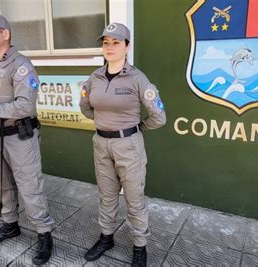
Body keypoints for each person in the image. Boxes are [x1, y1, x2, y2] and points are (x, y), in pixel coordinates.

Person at [0, 13, 54, 265]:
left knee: (30, 186)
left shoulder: (21, 65)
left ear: (5, 34)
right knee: (2, 183)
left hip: (20, 136)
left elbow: (26, 106)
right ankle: (10, 225)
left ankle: (44, 233)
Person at [79, 22, 166, 267]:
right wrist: (104, 122)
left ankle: (140, 246)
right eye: (106, 43)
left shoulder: (138, 78)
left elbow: (159, 117)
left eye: (116, 42)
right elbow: (85, 106)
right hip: (101, 144)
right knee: (106, 196)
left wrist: (137, 128)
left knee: (134, 199)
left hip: (129, 146)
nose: (110, 47)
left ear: (127, 46)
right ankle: (106, 238)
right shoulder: (94, 77)